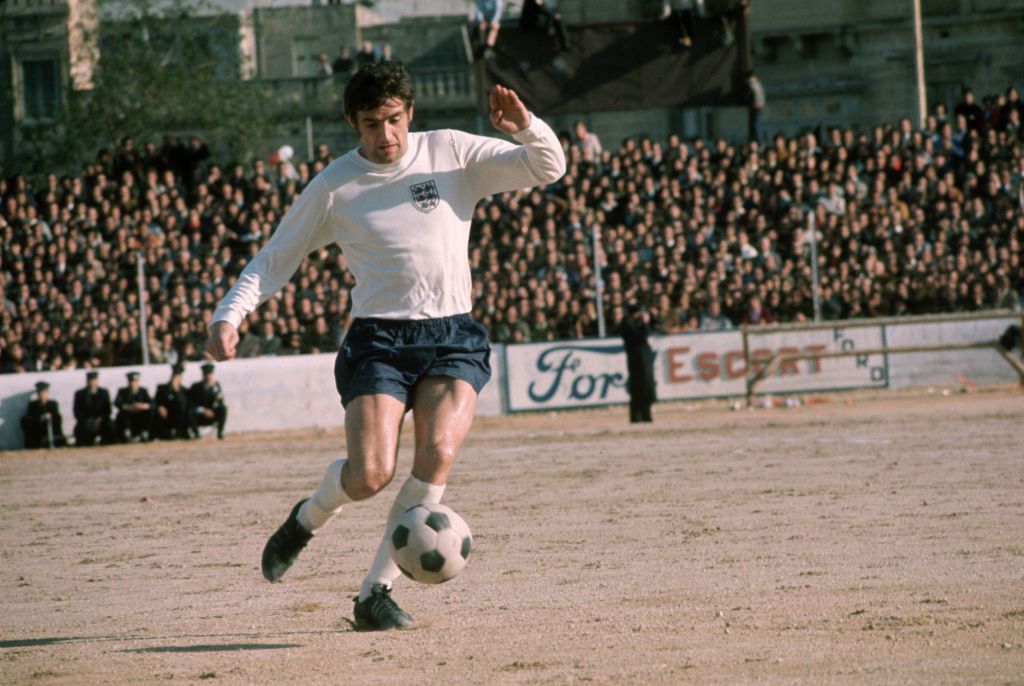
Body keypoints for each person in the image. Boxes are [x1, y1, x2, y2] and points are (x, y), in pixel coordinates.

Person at [205, 61, 565, 630]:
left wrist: (526, 127)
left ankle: (375, 593)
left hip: (452, 335)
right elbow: (275, 258)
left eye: (394, 119)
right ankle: (306, 518)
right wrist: (230, 315)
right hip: (379, 340)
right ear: (353, 122)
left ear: (410, 113)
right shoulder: (334, 186)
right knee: (370, 475)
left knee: (437, 453)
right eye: (372, 123)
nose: (386, 134)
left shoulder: (450, 151)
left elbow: (547, 167)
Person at [618, 303, 656, 423]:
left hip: (643, 357)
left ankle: (646, 413)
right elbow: (641, 336)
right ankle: (637, 414)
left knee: (646, 385)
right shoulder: (627, 323)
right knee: (638, 386)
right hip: (636, 359)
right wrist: (645, 323)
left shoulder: (634, 323)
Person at [153, 364, 195, 440]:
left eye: (178, 377)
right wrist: (160, 407)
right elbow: (155, 402)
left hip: (180, 419)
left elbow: (187, 404)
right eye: (175, 376)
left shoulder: (184, 391)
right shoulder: (162, 388)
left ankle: (181, 434)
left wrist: (176, 391)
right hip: (166, 417)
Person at [73, 370, 114, 446]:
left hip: (101, 420)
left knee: (109, 425)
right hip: (86, 421)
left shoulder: (104, 392)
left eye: (94, 380)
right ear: (87, 381)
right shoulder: (79, 394)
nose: (92, 383)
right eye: (90, 381)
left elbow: (108, 410)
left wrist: (99, 419)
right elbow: (77, 411)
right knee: (81, 430)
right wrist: (87, 421)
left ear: (97, 381)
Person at [21, 381, 67, 449]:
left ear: (47, 393)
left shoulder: (53, 403)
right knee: (24, 420)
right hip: (37, 427)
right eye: (39, 393)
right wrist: (40, 418)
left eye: (44, 393)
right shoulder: (33, 405)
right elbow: (30, 417)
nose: (41, 395)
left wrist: (50, 416)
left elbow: (56, 416)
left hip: (50, 426)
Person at [189, 362, 228, 439]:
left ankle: (220, 433)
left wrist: (214, 389)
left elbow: (220, 401)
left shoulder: (216, 386)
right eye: (206, 374)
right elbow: (191, 403)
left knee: (223, 408)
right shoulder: (196, 387)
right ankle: (196, 434)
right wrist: (203, 410)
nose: (208, 377)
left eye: (210, 374)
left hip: (212, 413)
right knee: (190, 412)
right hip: (200, 415)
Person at [115, 371, 154, 443]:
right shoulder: (122, 391)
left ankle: (145, 433)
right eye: (132, 382)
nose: (134, 384)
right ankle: (127, 433)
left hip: (141, 415)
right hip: (129, 416)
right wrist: (130, 407)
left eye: (136, 382)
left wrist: (142, 406)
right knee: (122, 414)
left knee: (150, 412)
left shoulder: (143, 391)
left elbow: (151, 403)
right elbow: (117, 403)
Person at [747, 70, 766, 144]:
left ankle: (758, 141)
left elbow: (757, 96)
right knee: (755, 124)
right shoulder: (757, 84)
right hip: (757, 106)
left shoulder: (754, 85)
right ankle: (756, 140)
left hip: (757, 106)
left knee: (756, 124)